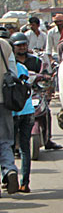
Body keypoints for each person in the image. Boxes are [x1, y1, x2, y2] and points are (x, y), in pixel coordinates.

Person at [10, 33, 61, 151]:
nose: (22, 47)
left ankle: (48, 139)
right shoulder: (10, 62)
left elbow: (46, 74)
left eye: (24, 45)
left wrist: (47, 81)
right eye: (19, 45)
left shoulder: (36, 61)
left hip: (34, 92)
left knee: (46, 111)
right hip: (16, 95)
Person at [0, 31, 19, 195]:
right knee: (5, 140)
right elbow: (13, 73)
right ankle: (9, 169)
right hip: (3, 100)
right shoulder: (4, 45)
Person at [12, 61, 35, 193]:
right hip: (28, 111)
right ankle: (25, 183)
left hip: (12, 112)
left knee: (7, 147)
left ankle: (7, 178)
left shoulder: (5, 70)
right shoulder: (22, 67)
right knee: (25, 148)